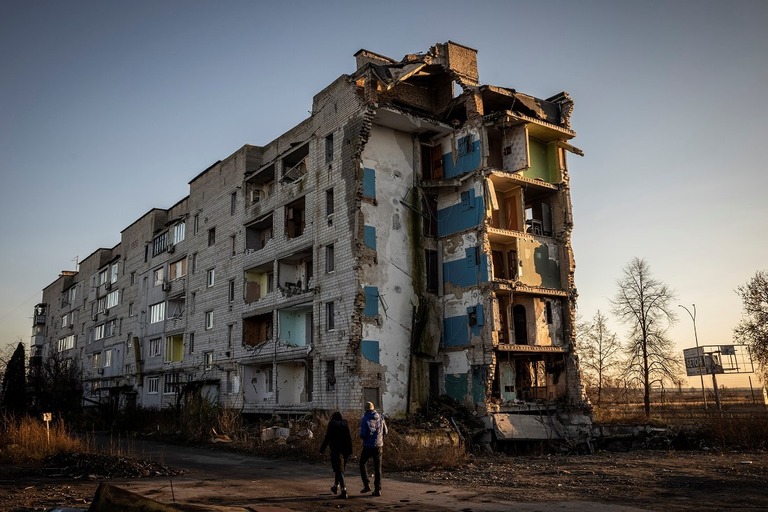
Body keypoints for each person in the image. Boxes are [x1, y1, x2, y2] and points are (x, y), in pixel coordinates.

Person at [319, 411, 353, 499]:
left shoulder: (332, 424)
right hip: (345, 450)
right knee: (340, 469)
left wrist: (321, 450)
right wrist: (350, 451)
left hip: (336, 450)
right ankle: (335, 486)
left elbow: (327, 437)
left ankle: (344, 491)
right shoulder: (345, 424)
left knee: (339, 470)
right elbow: (349, 438)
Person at [358, 401, 387, 496]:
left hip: (368, 446)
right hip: (379, 446)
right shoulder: (381, 417)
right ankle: (378, 490)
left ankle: (366, 485)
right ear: (373, 408)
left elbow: (363, 434)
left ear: (365, 409)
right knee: (377, 468)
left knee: (362, 463)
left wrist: (364, 438)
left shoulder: (365, 418)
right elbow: (385, 431)